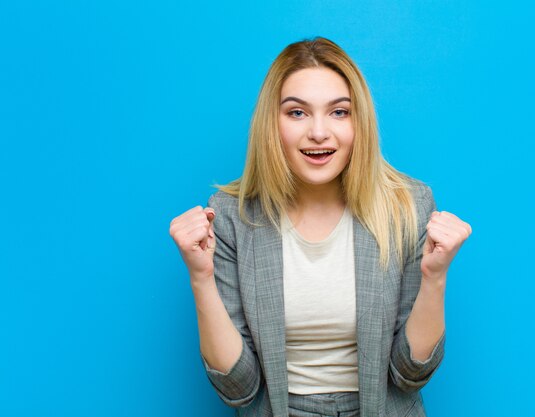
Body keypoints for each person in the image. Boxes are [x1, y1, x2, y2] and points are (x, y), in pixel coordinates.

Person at [169, 37, 471, 417]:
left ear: (359, 121)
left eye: (339, 112)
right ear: (271, 123)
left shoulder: (407, 207)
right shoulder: (231, 217)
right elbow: (238, 388)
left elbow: (411, 374)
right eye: (297, 113)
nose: (318, 132)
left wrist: (436, 277)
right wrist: (200, 277)